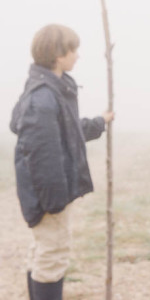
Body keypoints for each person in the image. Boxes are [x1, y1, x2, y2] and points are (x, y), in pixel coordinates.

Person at [10, 24, 114, 300]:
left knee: (43, 251)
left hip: (48, 195)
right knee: (52, 255)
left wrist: (98, 123)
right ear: (58, 54)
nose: (77, 55)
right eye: (73, 49)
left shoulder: (51, 89)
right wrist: (54, 203)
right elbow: (43, 157)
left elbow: (64, 129)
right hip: (48, 196)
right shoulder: (43, 97)